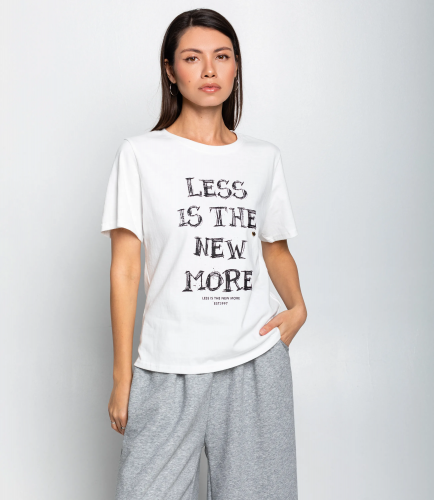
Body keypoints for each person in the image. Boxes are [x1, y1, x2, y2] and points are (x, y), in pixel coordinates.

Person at [100, 8, 307, 500]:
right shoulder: (140, 154)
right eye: (193, 58)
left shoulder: (263, 157)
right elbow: (125, 268)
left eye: (222, 56)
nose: (209, 70)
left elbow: (274, 247)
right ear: (171, 70)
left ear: (236, 67)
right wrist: (123, 376)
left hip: (254, 362)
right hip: (167, 366)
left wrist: (298, 308)